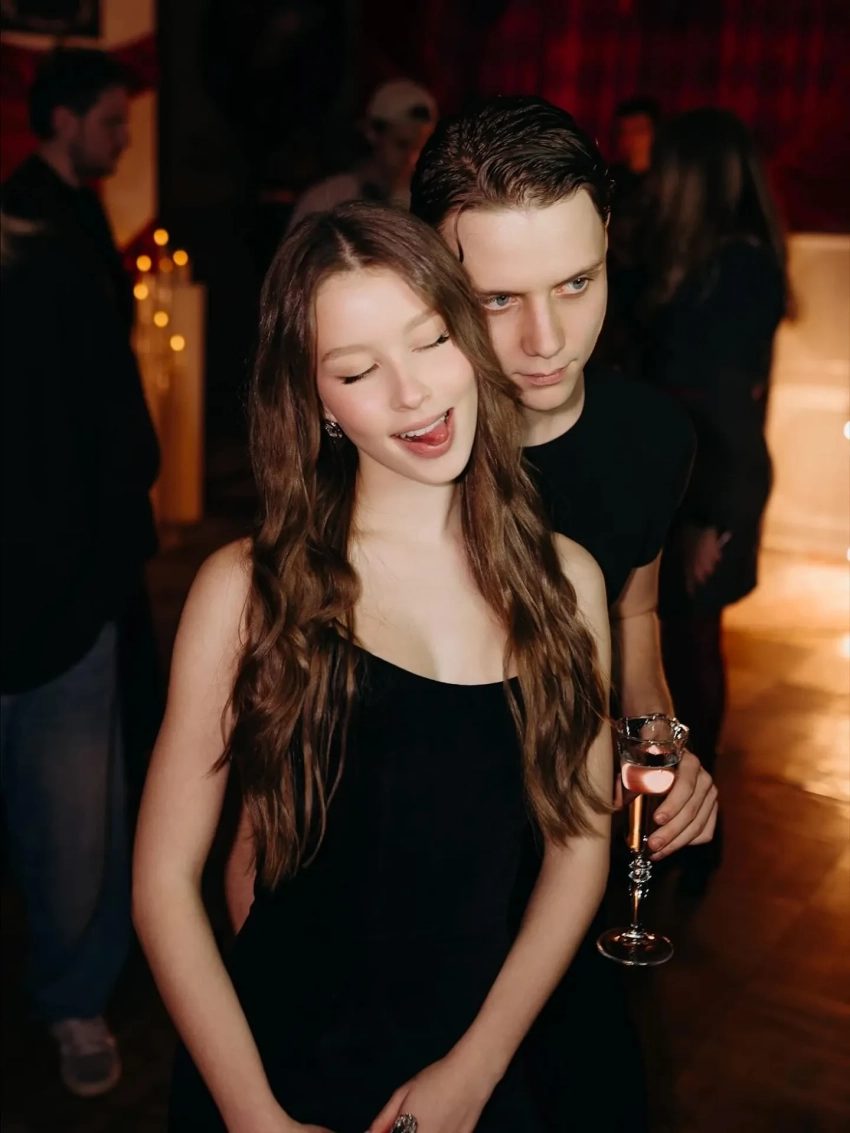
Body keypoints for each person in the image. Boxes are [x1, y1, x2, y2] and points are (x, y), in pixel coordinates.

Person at [133, 201, 614, 1132]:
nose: (413, 393)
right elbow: (162, 883)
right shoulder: (247, 591)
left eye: (431, 340)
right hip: (274, 1068)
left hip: (482, 1059)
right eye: (358, 370)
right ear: (316, 400)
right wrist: (254, 1116)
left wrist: (472, 1073)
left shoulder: (568, 584)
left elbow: (579, 849)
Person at [0, 50, 160, 1097]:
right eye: (110, 119)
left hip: (59, 596)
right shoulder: (42, 239)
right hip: (53, 584)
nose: (125, 137)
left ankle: (75, 996)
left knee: (74, 823)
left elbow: (113, 429)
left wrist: (100, 576)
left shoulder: (51, 255)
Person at [1, 46, 165, 797]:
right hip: (60, 534)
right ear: (64, 121)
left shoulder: (78, 207)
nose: (124, 139)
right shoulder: (28, 226)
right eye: (110, 122)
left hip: (96, 514)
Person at [635, 108, 788, 833]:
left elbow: (724, 411)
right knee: (678, 647)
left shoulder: (735, 268)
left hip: (708, 490)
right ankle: (684, 814)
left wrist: (706, 518)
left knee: (689, 654)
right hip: (692, 484)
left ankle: (694, 819)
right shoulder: (714, 260)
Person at [286, 79, 438, 232]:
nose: (413, 158)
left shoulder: (430, 204)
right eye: (402, 144)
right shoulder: (326, 201)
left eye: (421, 148)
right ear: (372, 134)